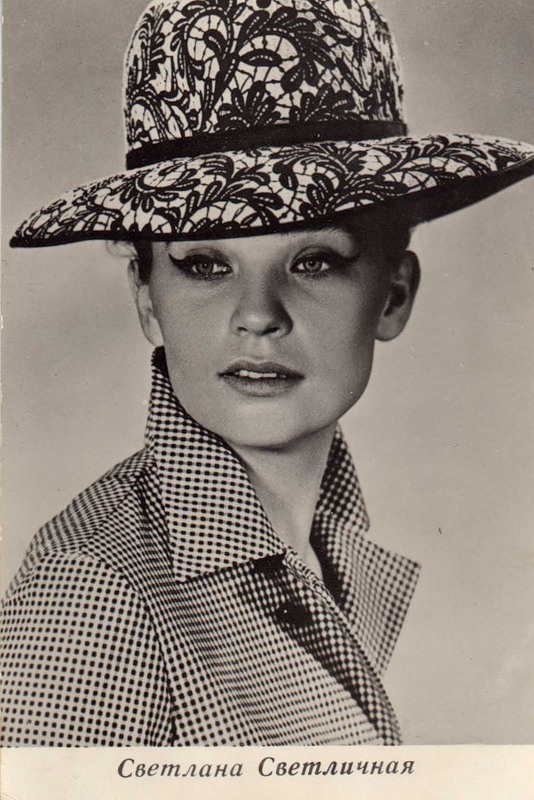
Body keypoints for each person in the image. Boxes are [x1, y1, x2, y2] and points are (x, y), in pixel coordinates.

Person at [2, 0, 533, 747]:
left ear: (394, 294)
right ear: (147, 299)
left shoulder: (316, 553)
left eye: (313, 261)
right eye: (205, 264)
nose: (258, 315)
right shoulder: (93, 593)